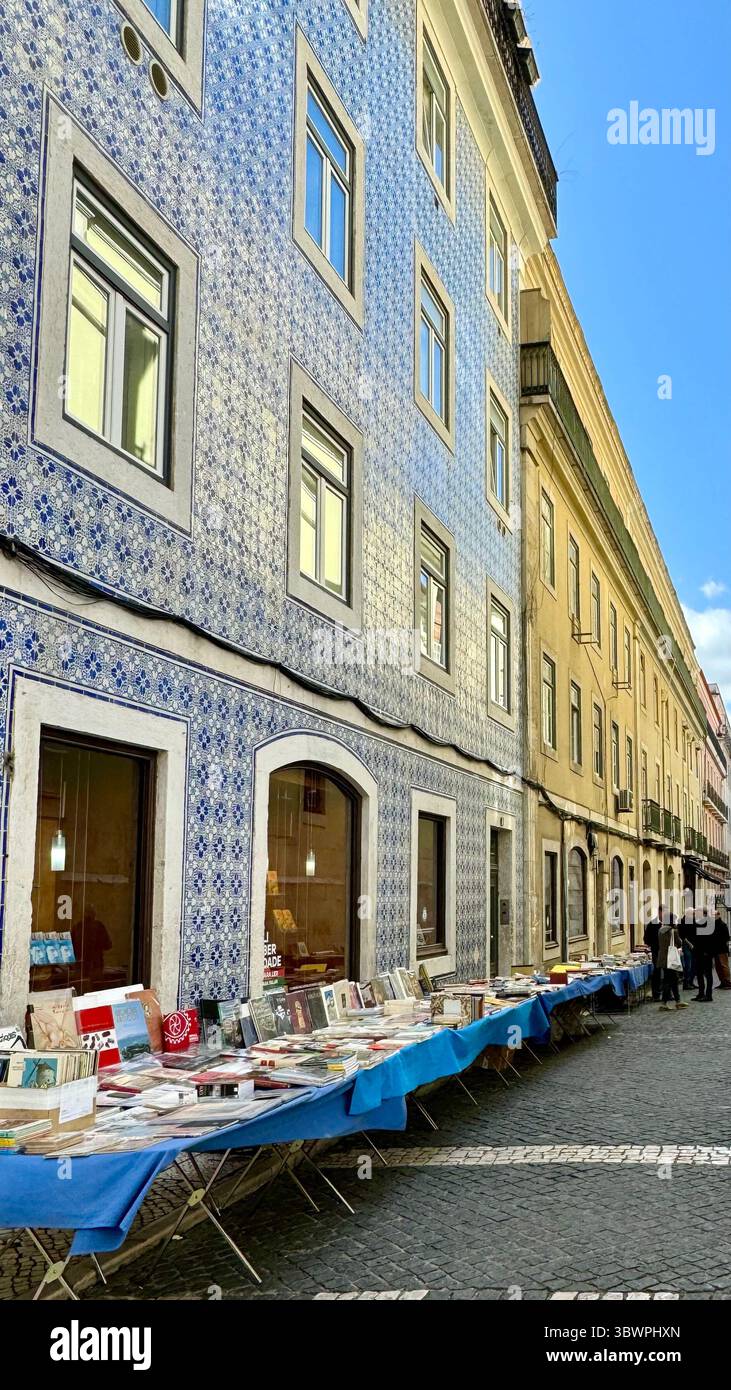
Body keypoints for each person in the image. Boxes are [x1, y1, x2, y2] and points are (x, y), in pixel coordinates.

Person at [693, 907, 724, 1003]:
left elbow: (713, 940)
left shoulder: (710, 923)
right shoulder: (699, 922)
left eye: (697, 913)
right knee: (699, 974)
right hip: (699, 952)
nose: (695, 915)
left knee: (708, 974)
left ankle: (708, 995)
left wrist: (709, 952)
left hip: (706, 953)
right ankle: (701, 993)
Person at [657, 916, 687, 1011]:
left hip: (662, 958)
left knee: (673, 979)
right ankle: (664, 1003)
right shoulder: (673, 932)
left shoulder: (660, 930)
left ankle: (678, 1001)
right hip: (671, 959)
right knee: (669, 981)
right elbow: (679, 943)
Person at [644, 903, 671, 1002]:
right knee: (657, 973)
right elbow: (646, 939)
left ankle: (667, 994)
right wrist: (655, 944)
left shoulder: (669, 924)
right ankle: (656, 995)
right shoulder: (652, 924)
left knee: (668, 973)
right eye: (664, 912)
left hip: (668, 952)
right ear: (659, 912)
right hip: (657, 952)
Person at [713, 911, 731, 990]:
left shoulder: (723, 925)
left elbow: (727, 937)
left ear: (718, 915)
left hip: (722, 949)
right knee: (718, 966)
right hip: (716, 949)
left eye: (714, 915)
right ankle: (722, 982)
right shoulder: (713, 924)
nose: (713, 916)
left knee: (724, 966)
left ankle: (728, 982)